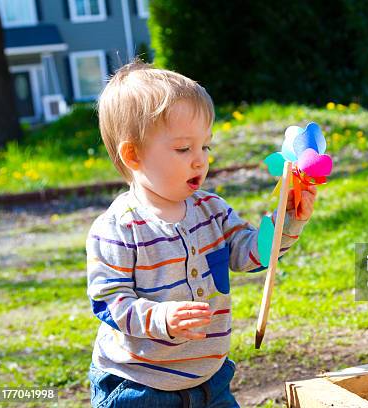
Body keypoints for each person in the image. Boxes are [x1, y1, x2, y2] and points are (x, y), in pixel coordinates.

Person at [87, 60, 316, 407]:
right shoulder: (118, 227)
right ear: (133, 155)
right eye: (183, 148)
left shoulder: (212, 209)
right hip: (140, 387)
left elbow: (249, 252)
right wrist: (161, 318)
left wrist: (286, 219)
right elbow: (108, 301)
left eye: (205, 147)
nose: (200, 160)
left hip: (211, 381)